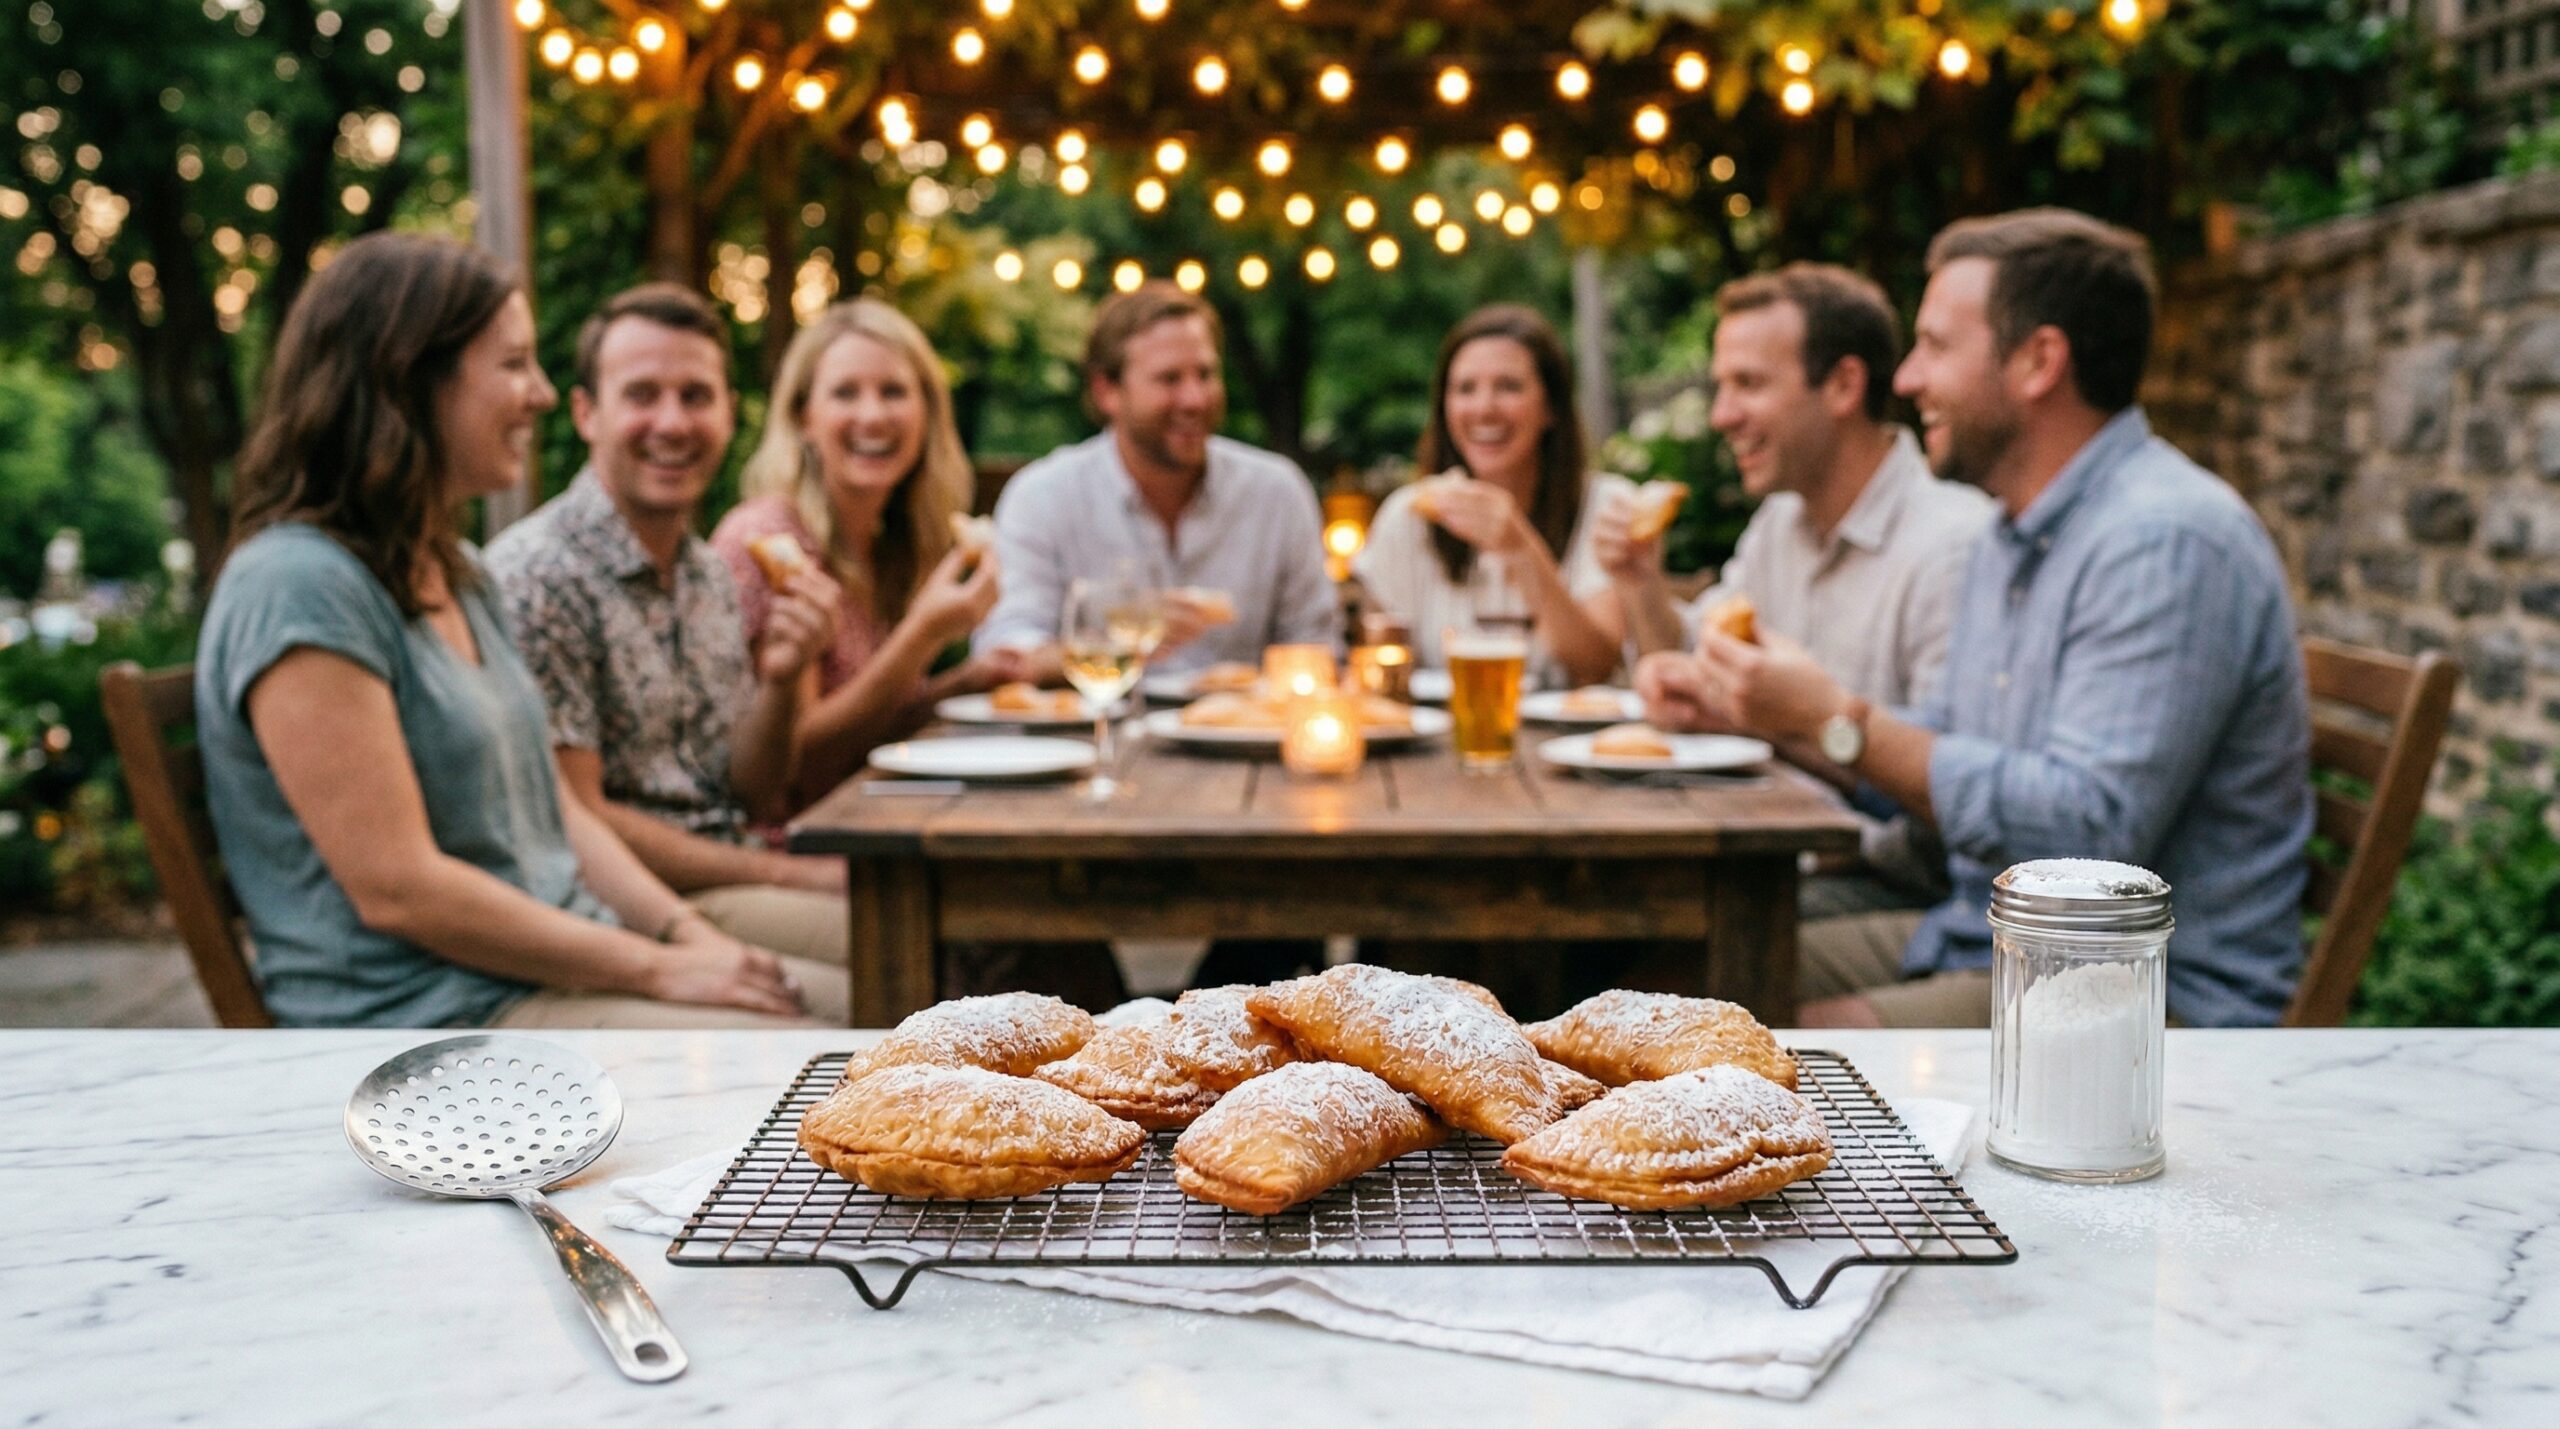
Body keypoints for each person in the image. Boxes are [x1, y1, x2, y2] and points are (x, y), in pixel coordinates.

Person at [1641, 209, 2310, 1029]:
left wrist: (1837, 719)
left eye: (1935, 346)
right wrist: (1772, 716)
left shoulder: (2162, 540)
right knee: (1664, 960)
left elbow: (2088, 839)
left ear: (2038, 361)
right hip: (1988, 937)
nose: (1910, 379)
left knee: (1765, 1038)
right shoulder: (2011, 534)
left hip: (2132, 990)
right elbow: (1946, 758)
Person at [195, 234, 845, 1028]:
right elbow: (401, 889)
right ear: (409, 380)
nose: (540, 394)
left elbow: (558, 813)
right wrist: (664, 968)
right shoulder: (299, 583)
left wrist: (685, 935)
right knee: (829, 1046)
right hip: (431, 1022)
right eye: (512, 365)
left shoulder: (457, 570)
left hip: (552, 962)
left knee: (867, 1004)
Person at [484, 283, 851, 974]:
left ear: (728, 413)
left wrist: (781, 680)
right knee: (912, 959)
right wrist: (790, 875)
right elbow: (576, 819)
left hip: (735, 876)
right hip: (633, 907)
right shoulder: (539, 576)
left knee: (951, 941)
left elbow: (751, 791)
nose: (673, 422)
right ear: (586, 412)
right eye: (643, 394)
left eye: (696, 396)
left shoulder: (709, 571)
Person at [1612, 265, 1992, 905]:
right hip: (1774, 856)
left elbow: (1950, 810)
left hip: (1892, 886)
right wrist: (1639, 582)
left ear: (1843, 385)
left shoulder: (1951, 545)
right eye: (1720, 387)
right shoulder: (1781, 521)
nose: (1721, 415)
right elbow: (1689, 658)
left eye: (1749, 384)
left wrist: (1792, 725)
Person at [711, 297, 1033, 805]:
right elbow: (796, 767)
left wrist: (962, 683)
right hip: (800, 846)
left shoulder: (884, 544)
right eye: (845, 393)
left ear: (927, 413)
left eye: (894, 392)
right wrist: (923, 636)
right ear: (803, 418)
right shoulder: (769, 543)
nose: (873, 415)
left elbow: (873, 730)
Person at [976, 281, 1338, 671]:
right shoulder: (1043, 496)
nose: (1195, 399)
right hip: (1088, 730)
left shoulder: (1277, 492)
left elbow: (1317, 647)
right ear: (1106, 392)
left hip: (1241, 729)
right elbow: (1006, 651)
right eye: (1170, 379)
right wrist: (1122, 642)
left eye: (1205, 374)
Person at [1353, 304, 1629, 687]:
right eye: (1465, 389)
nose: (1484, 409)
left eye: (1509, 387)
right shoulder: (1408, 516)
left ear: (1551, 408)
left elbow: (1594, 666)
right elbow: (1377, 665)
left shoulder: (1608, 506)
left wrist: (1519, 547)